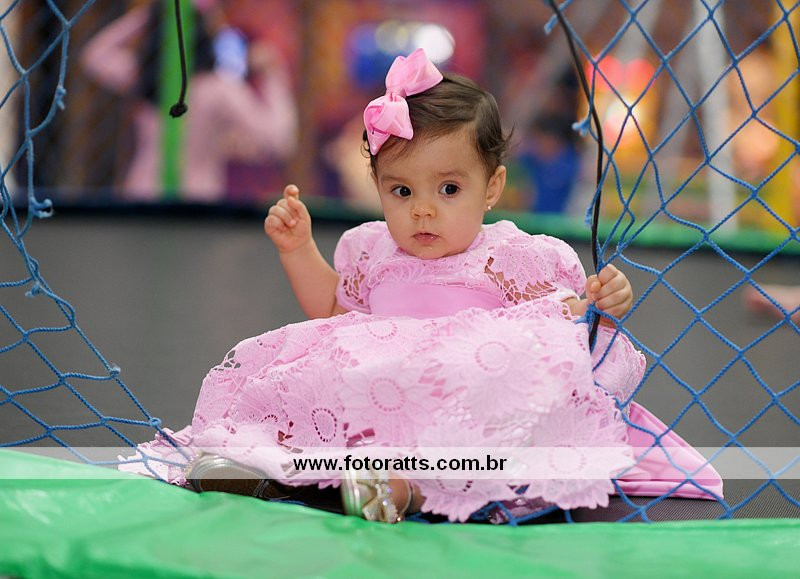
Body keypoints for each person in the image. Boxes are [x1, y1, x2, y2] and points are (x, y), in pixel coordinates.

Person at [120, 49, 722, 523]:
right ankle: (262, 468)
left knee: (487, 431)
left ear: (491, 188)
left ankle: (401, 491)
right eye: (402, 191)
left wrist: (605, 302)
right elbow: (332, 310)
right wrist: (299, 249)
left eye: (449, 189)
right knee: (311, 384)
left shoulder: (509, 256)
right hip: (380, 395)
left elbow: (563, 331)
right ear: (379, 187)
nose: (423, 210)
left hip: (458, 405)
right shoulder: (373, 251)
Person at [81, 0, 297, 202]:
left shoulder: (147, 80)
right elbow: (277, 139)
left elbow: (96, 55)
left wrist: (155, 13)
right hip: (197, 200)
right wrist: (273, 75)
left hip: (143, 193)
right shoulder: (216, 89)